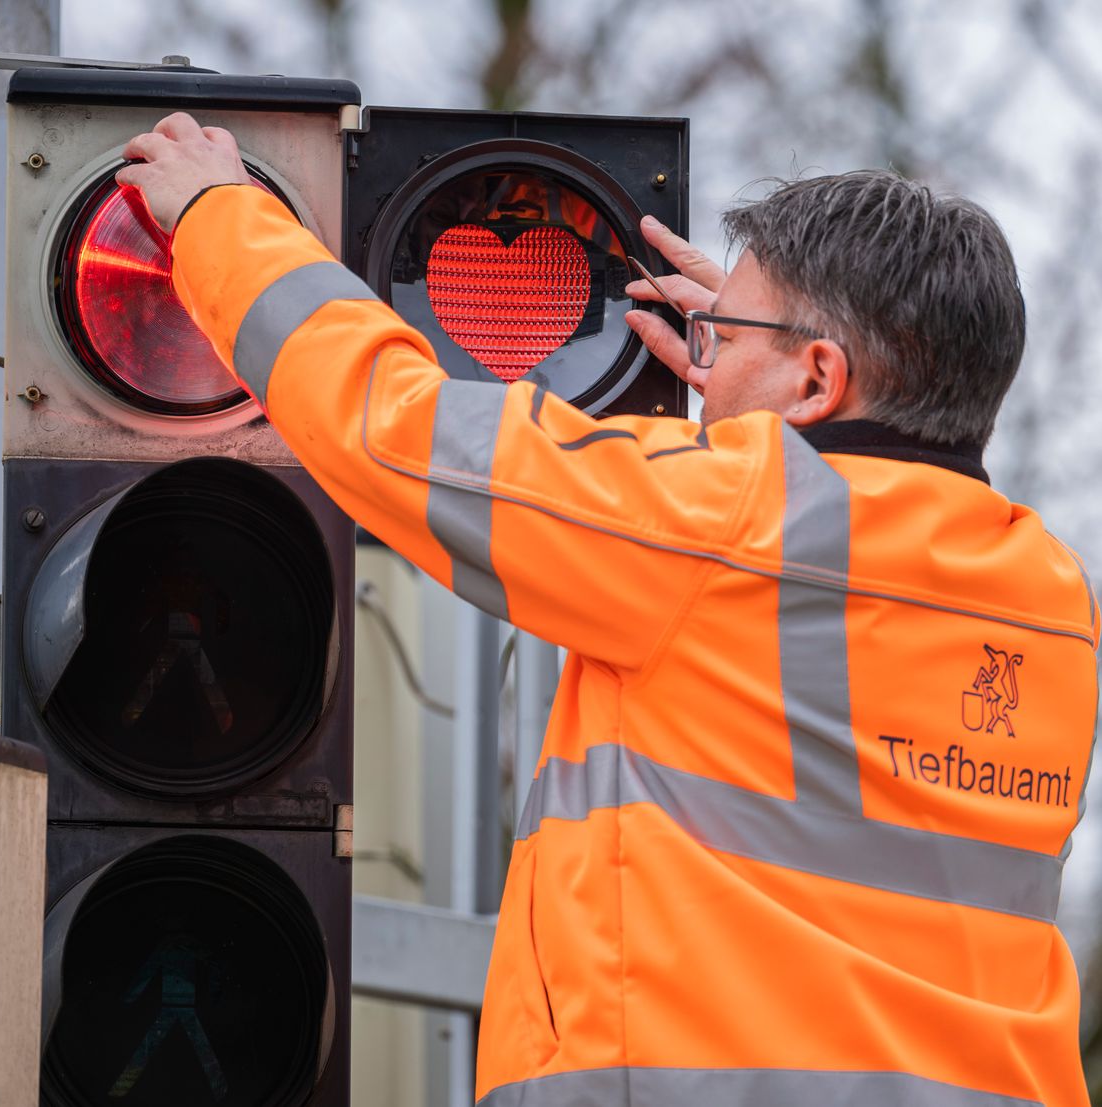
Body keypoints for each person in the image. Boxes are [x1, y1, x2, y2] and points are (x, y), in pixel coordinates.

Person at [117, 113, 1099, 1106]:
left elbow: (394, 425)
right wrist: (774, 351)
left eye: (730, 337)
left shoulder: (725, 519)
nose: (704, 364)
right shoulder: (1050, 602)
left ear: (816, 379)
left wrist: (216, 218)